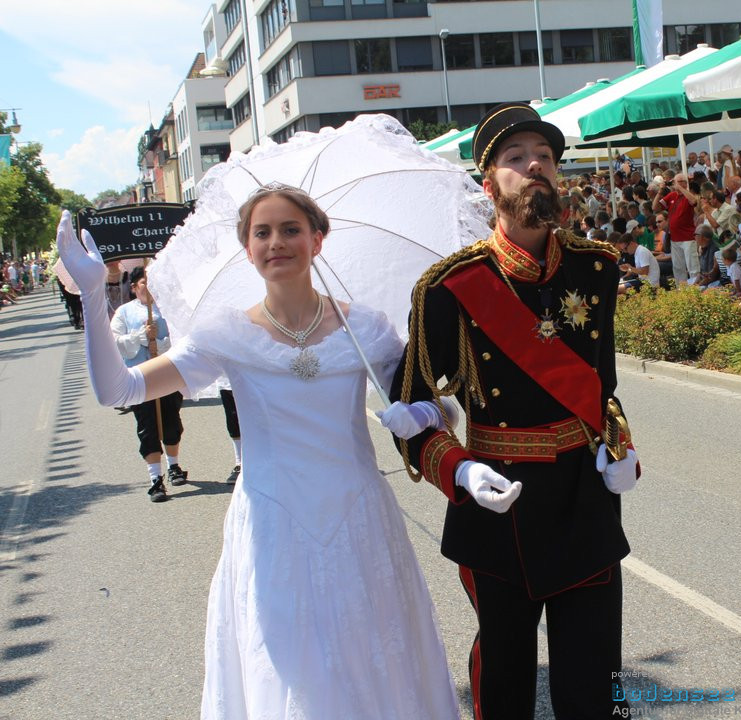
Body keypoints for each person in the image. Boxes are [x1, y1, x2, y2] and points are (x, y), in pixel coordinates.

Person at [55, 185, 460, 718]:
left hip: (360, 520)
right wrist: (90, 293)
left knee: (374, 658)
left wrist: (423, 414)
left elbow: (445, 405)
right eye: (261, 232)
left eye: (291, 229)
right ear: (247, 248)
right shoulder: (225, 336)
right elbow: (119, 390)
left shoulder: (366, 329)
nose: (277, 242)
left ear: (318, 239)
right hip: (273, 527)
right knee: (291, 671)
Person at [384, 102, 638, 719]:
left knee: (595, 672)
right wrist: (459, 470)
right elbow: (410, 410)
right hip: (500, 505)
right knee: (504, 678)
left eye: (545, 158)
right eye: (515, 159)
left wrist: (620, 444)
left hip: (584, 494)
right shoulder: (449, 287)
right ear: (488, 182)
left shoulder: (596, 267)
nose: (534, 169)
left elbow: (600, 383)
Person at [110, 265, 188, 501]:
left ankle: (174, 465)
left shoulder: (167, 310)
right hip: (140, 378)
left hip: (167, 375)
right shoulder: (124, 313)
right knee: (147, 427)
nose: (149, 286)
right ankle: (156, 478)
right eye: (144, 282)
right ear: (134, 288)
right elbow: (116, 342)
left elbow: (182, 337)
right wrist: (140, 337)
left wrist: (162, 342)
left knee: (171, 422)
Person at [652, 172, 698, 284]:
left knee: (692, 266)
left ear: (684, 183)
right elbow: (655, 207)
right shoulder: (672, 195)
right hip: (675, 238)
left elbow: (694, 201)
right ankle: (681, 290)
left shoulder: (687, 195)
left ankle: (696, 288)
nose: (675, 184)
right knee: (678, 267)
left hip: (687, 238)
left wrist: (681, 188)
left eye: (677, 182)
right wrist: (660, 191)